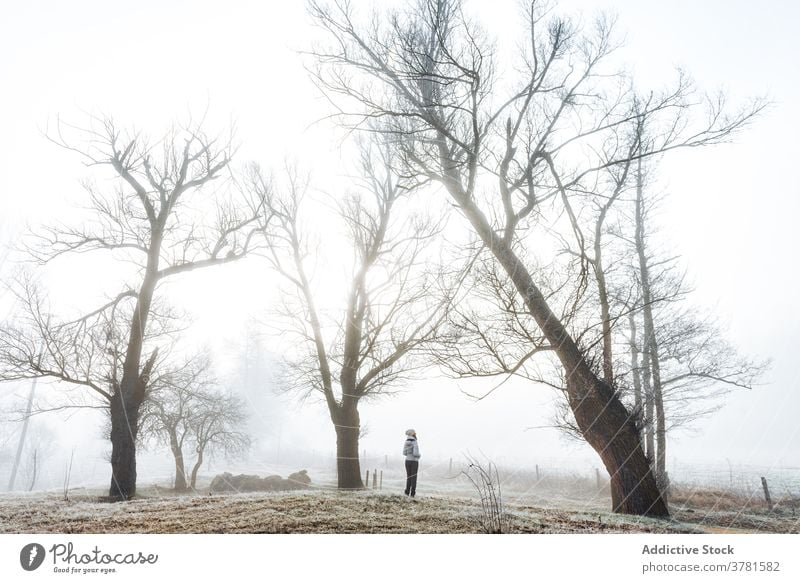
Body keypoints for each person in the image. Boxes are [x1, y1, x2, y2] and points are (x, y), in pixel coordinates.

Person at [403, 429, 421, 497]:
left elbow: (404, 453)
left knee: (409, 477)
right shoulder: (414, 441)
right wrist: (419, 455)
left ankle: (407, 492)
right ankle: (412, 494)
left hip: (407, 461)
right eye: (414, 432)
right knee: (414, 478)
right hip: (414, 461)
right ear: (412, 434)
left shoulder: (406, 441)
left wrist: (409, 454)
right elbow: (415, 453)